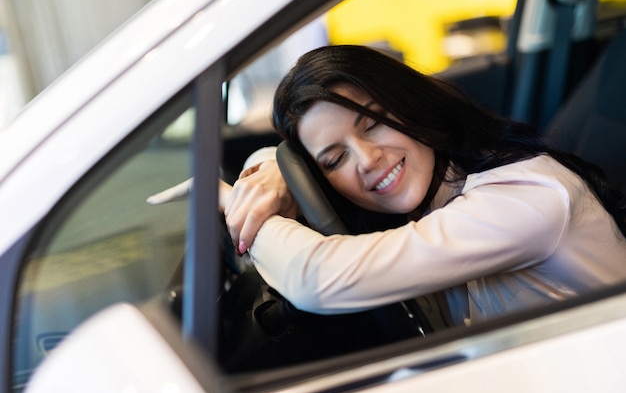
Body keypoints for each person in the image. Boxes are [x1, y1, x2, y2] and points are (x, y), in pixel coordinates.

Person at [222, 45, 626, 326]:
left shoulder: (525, 197)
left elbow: (318, 280)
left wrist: (232, 202)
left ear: (410, 104)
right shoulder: (441, 191)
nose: (367, 160)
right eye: (335, 159)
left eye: (374, 122)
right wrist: (274, 170)